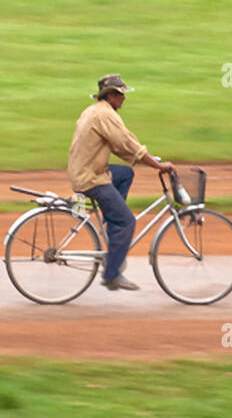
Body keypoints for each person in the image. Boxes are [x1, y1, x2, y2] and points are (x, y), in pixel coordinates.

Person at [67, 74, 175, 291]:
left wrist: (150, 157)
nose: (124, 98)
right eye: (121, 94)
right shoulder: (105, 115)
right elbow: (126, 144)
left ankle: (111, 224)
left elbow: (123, 141)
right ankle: (112, 274)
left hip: (85, 170)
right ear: (111, 95)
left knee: (125, 174)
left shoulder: (96, 110)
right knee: (127, 222)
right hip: (91, 178)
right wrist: (156, 165)